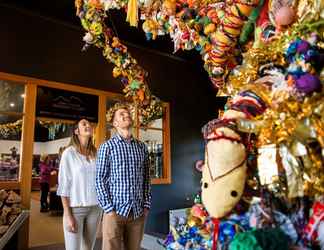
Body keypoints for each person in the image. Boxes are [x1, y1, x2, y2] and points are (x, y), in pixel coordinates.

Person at [96, 104, 151, 250]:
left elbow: (146, 178)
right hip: (115, 212)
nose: (126, 115)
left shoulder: (142, 147)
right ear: (115, 123)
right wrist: (109, 209)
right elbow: (100, 180)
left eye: (127, 113)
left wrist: (146, 205)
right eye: (121, 114)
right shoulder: (107, 147)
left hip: (137, 213)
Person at [57, 119, 102, 250]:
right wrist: (67, 214)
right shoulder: (69, 153)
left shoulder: (96, 153)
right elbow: (64, 186)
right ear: (76, 131)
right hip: (75, 209)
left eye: (89, 124)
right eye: (84, 124)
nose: (88, 125)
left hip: (95, 208)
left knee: (88, 248)